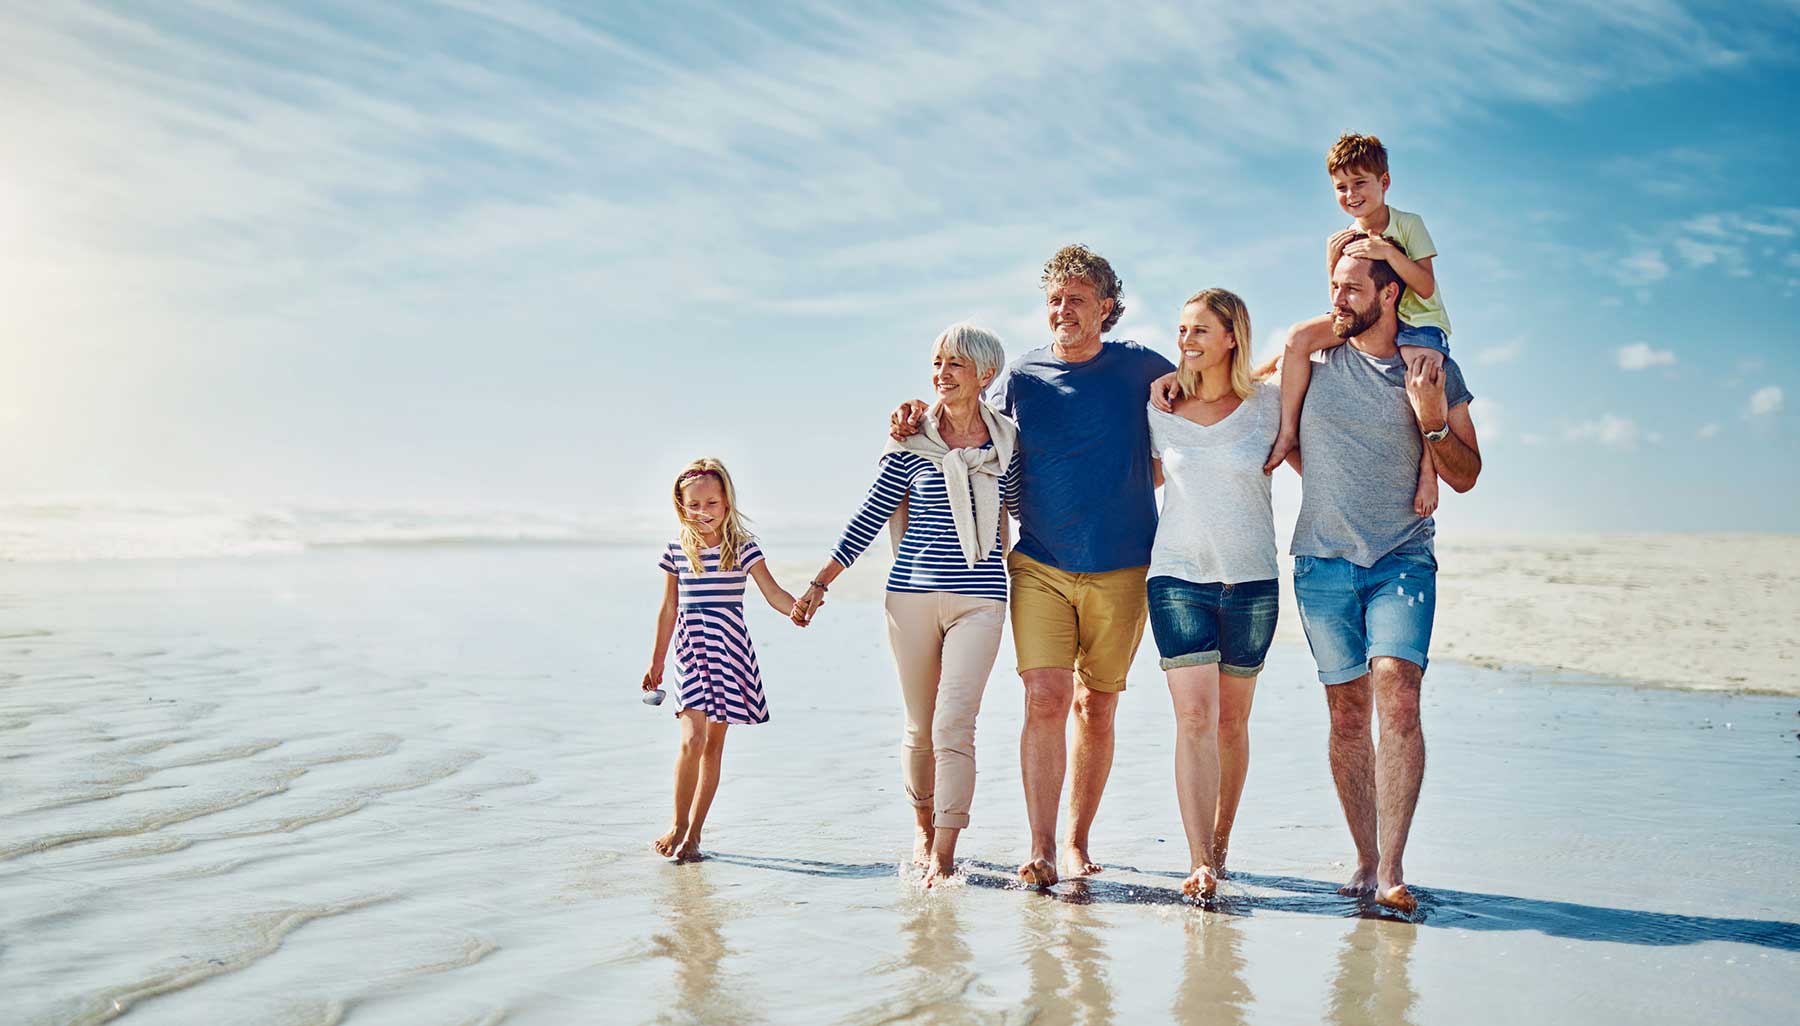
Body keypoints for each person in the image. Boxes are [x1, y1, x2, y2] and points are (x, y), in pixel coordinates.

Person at [892, 244, 1174, 887]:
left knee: (1096, 706)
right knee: (1045, 697)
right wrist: (909, 411)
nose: (1063, 310)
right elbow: (959, 413)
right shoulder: (1021, 376)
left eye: (1077, 299)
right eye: (1054, 300)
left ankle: (1077, 843)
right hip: (1039, 561)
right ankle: (1042, 848)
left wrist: (1131, 480)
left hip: (1125, 563)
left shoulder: (1142, 367)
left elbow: (1194, 412)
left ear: (1106, 307)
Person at [1286, 249, 1482, 913]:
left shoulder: (1434, 369)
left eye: (1350, 289)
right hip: (1321, 561)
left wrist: (1429, 418)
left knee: (1398, 691)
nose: (1337, 300)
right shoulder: (1313, 365)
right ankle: (1365, 857)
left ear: (1390, 293)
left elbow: (1468, 471)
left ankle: (1393, 867)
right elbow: (1245, 400)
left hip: (1402, 557)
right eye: (1332, 287)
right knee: (1346, 712)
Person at [796, 324, 1020, 887]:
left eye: (955, 365)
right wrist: (820, 582)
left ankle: (945, 852)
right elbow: (868, 517)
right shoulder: (912, 440)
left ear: (985, 375)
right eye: (937, 363)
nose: (942, 374)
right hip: (911, 598)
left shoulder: (1008, 444)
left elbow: (1025, 511)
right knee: (921, 727)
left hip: (981, 601)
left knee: (955, 724)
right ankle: (922, 828)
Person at [1146, 288, 1296, 899]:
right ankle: (1199, 860)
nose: (1186, 340)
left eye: (1201, 330)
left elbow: (1307, 340)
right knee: (1194, 717)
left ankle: (1223, 843)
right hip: (1177, 577)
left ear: (1232, 336)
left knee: (1232, 723)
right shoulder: (1159, 407)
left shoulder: (1269, 404)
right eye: (1183, 330)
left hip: (1252, 580)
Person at [1266, 133, 1456, 518]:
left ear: (1384, 183)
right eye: (1341, 187)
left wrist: (1386, 251)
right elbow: (1342, 301)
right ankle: (1287, 431)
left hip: (1418, 322)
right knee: (1298, 338)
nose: (1351, 194)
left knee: (1418, 380)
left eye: (1360, 183)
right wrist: (1332, 261)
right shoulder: (1344, 237)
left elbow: (1425, 285)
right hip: (1371, 317)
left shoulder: (1407, 224)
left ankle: (1427, 471)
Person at [643, 457, 808, 862]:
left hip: (730, 649)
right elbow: (668, 609)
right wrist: (657, 662)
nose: (703, 512)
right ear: (681, 506)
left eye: (712, 503)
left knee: (713, 747)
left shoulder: (743, 546)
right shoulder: (677, 549)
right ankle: (678, 823)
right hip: (691, 648)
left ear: (726, 501)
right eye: (694, 505)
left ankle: (695, 834)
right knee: (692, 739)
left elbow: (772, 592)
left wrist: (796, 609)